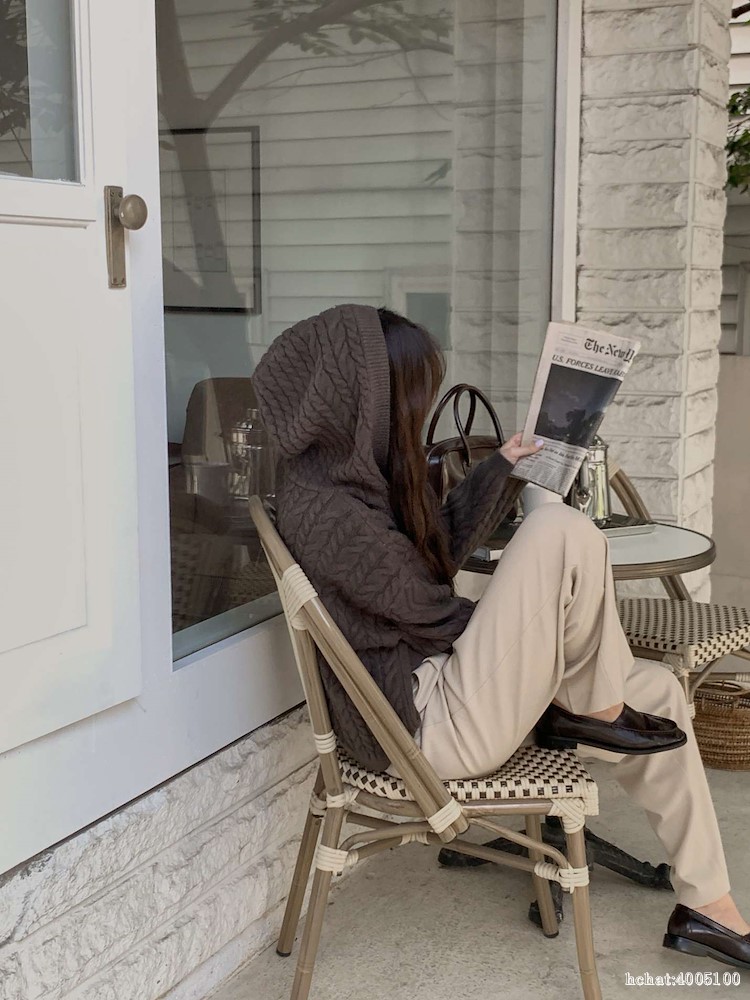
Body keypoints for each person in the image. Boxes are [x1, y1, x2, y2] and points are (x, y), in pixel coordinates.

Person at [252, 303, 750, 969]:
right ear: (363, 398)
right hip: (422, 729)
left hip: (443, 691)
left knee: (658, 689)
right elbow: (432, 609)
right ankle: (593, 707)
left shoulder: (349, 481)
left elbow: (428, 563)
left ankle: (708, 906)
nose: (418, 412)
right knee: (559, 531)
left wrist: (503, 467)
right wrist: (536, 632)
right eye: (412, 395)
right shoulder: (329, 511)